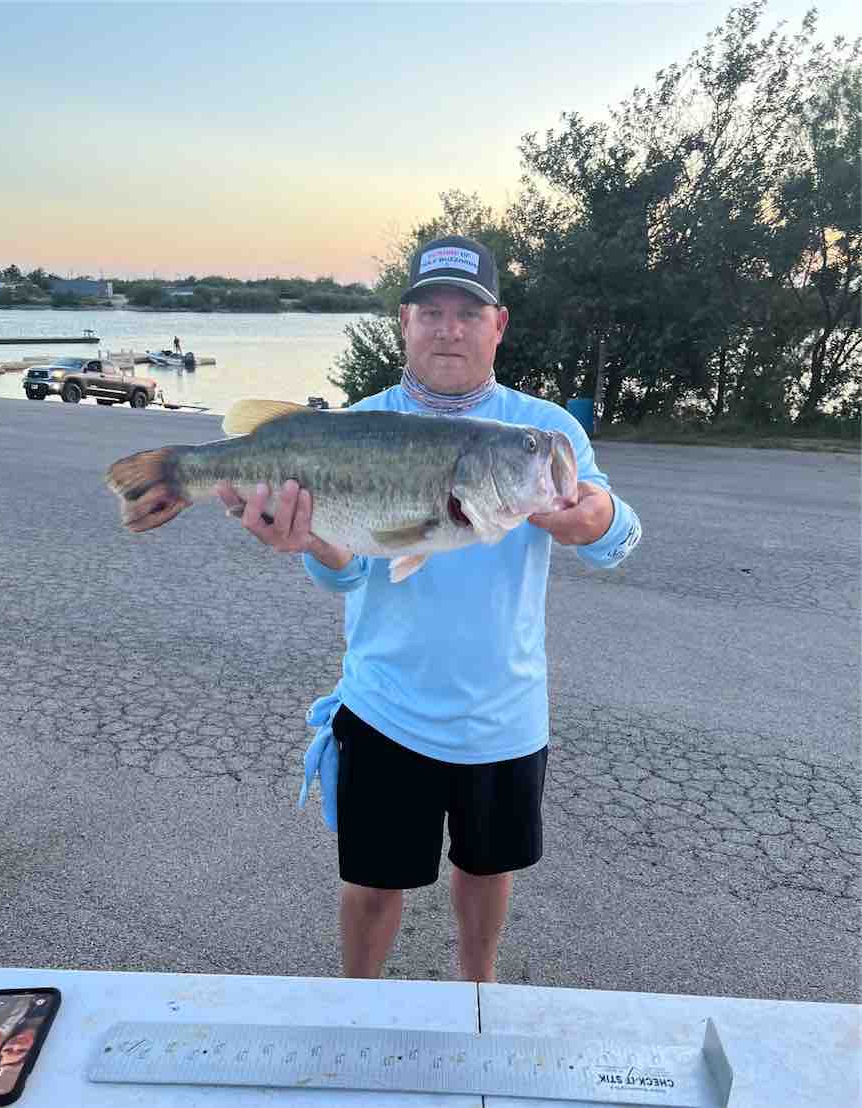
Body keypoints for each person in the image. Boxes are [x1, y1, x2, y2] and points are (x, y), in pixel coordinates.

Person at [216, 235, 641, 982]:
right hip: (384, 707)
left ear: (498, 325)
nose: (449, 329)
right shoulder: (358, 424)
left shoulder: (542, 433)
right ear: (404, 323)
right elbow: (349, 577)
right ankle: (357, 1001)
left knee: (486, 870)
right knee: (374, 883)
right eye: (431, 312)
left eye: (468, 314)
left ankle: (477, 991)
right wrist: (315, 546)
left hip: (505, 715)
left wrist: (599, 519)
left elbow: (618, 538)